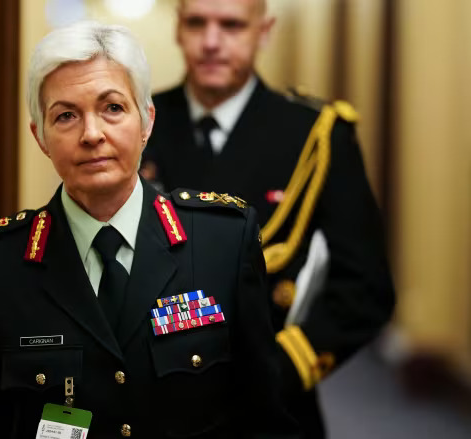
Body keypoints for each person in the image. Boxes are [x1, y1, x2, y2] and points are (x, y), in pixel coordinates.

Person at [0, 20, 299, 438]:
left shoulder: (223, 242)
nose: (92, 134)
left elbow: (267, 420)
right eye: (66, 115)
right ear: (40, 136)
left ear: (147, 122)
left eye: (113, 108)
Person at [140, 1, 396, 437]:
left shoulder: (315, 133)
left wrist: (279, 369)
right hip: (153, 396)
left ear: (264, 31)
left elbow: (365, 287)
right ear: (178, 29)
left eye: (232, 25)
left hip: (270, 399)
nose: (211, 42)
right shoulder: (136, 123)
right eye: (197, 23)